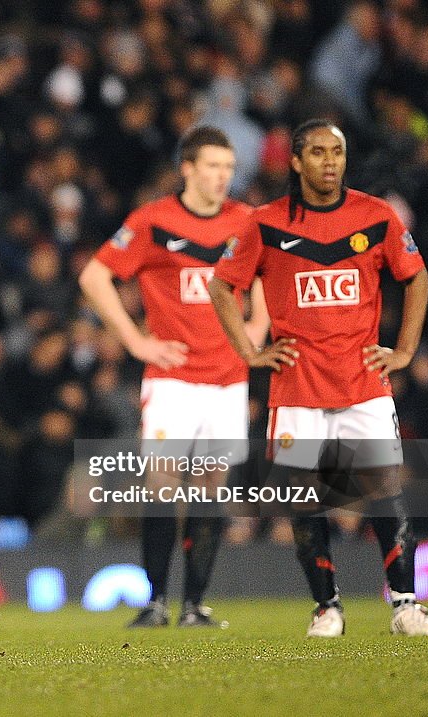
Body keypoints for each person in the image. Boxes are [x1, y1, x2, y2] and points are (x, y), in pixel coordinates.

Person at [209, 119, 428, 637]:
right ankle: (326, 607)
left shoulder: (376, 216)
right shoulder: (265, 223)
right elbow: (224, 286)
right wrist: (249, 350)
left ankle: (405, 605)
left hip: (363, 380)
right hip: (297, 387)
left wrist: (404, 350)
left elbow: (417, 276)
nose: (330, 162)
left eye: (337, 151)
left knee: (385, 488)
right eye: (317, 152)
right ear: (295, 162)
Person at [79, 126, 269, 628]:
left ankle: (194, 605)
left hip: (227, 378)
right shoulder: (153, 221)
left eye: (228, 168)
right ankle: (156, 599)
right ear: (187, 168)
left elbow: (271, 272)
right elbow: (94, 276)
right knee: (163, 484)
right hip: (174, 378)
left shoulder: (246, 221)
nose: (222, 177)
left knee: (211, 489)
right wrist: (135, 340)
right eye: (212, 166)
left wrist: (258, 327)